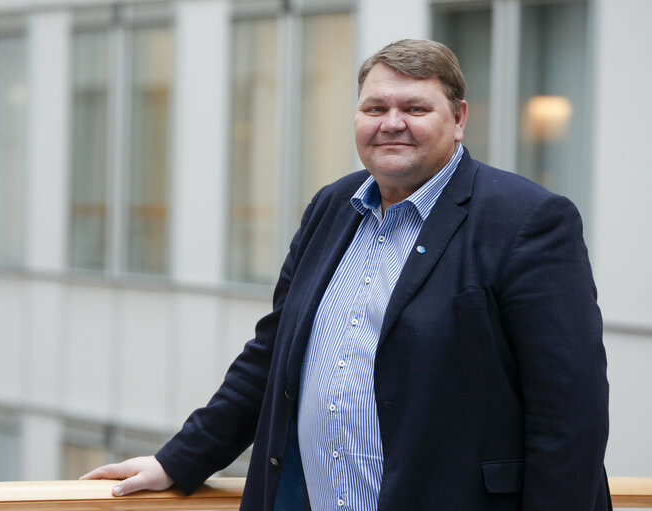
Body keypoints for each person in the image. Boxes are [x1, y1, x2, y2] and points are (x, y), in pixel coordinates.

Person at [82, 39, 611, 510]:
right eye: (374, 107)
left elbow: (570, 419)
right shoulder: (333, 207)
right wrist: (177, 462)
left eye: (415, 107)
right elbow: (271, 358)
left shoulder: (527, 219)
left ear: (459, 118)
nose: (391, 122)